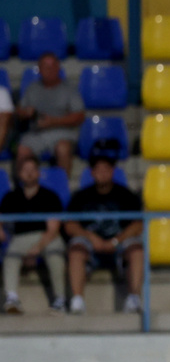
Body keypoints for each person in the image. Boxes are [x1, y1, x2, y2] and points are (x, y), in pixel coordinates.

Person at [63, 146, 144, 314]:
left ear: (113, 171)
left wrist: (116, 241)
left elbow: (138, 225)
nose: (102, 173)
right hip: (90, 246)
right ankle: (77, 300)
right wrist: (90, 237)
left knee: (136, 248)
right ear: (91, 173)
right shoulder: (80, 196)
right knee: (76, 248)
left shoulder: (127, 195)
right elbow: (70, 225)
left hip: (119, 245)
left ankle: (134, 299)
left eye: (106, 169)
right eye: (98, 169)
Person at [1, 157, 67, 314]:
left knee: (54, 253)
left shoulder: (50, 196)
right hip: (20, 238)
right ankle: (12, 298)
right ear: (19, 174)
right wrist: (5, 238)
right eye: (25, 170)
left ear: (38, 173)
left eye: (32, 170)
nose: (29, 174)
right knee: (11, 254)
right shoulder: (10, 197)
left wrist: (36, 249)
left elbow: (53, 229)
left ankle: (60, 299)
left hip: (46, 237)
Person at [16, 52, 84, 174]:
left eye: (53, 66)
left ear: (58, 68)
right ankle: (23, 188)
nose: (49, 70)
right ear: (39, 69)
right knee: (22, 150)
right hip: (35, 133)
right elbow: (20, 111)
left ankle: (62, 187)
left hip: (63, 133)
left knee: (63, 149)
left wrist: (53, 121)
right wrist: (26, 112)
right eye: (45, 67)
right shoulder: (32, 88)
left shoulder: (69, 89)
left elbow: (79, 116)